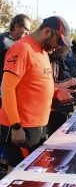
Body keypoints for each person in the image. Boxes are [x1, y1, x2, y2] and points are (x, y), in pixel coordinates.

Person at [0, 15, 72, 172]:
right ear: (47, 31)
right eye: (59, 41)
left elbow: (39, 82)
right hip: (22, 127)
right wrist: (16, 125)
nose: (59, 46)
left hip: (38, 124)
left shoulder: (44, 51)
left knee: (33, 173)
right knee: (18, 175)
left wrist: (59, 93)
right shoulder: (23, 48)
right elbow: (7, 88)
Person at [0, 14, 30, 172]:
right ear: (17, 26)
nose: (26, 34)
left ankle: (4, 159)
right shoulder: (6, 43)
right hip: (4, 92)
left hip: (6, 91)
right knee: (6, 129)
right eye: (25, 29)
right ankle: (5, 160)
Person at [48, 45, 76, 137]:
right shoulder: (54, 61)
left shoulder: (58, 61)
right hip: (56, 106)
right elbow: (52, 84)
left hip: (60, 104)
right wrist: (72, 81)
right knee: (56, 134)